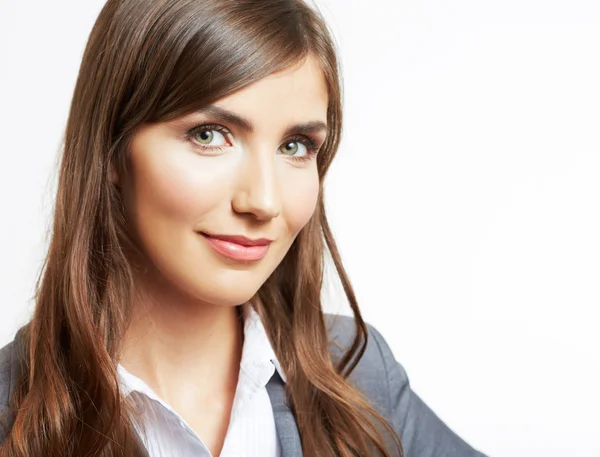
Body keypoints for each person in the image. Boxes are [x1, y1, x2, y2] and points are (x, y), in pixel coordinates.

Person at [0, 1, 488, 456]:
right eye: (209, 135)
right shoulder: (9, 411)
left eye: (295, 145)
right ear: (112, 148)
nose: (264, 201)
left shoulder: (358, 376)